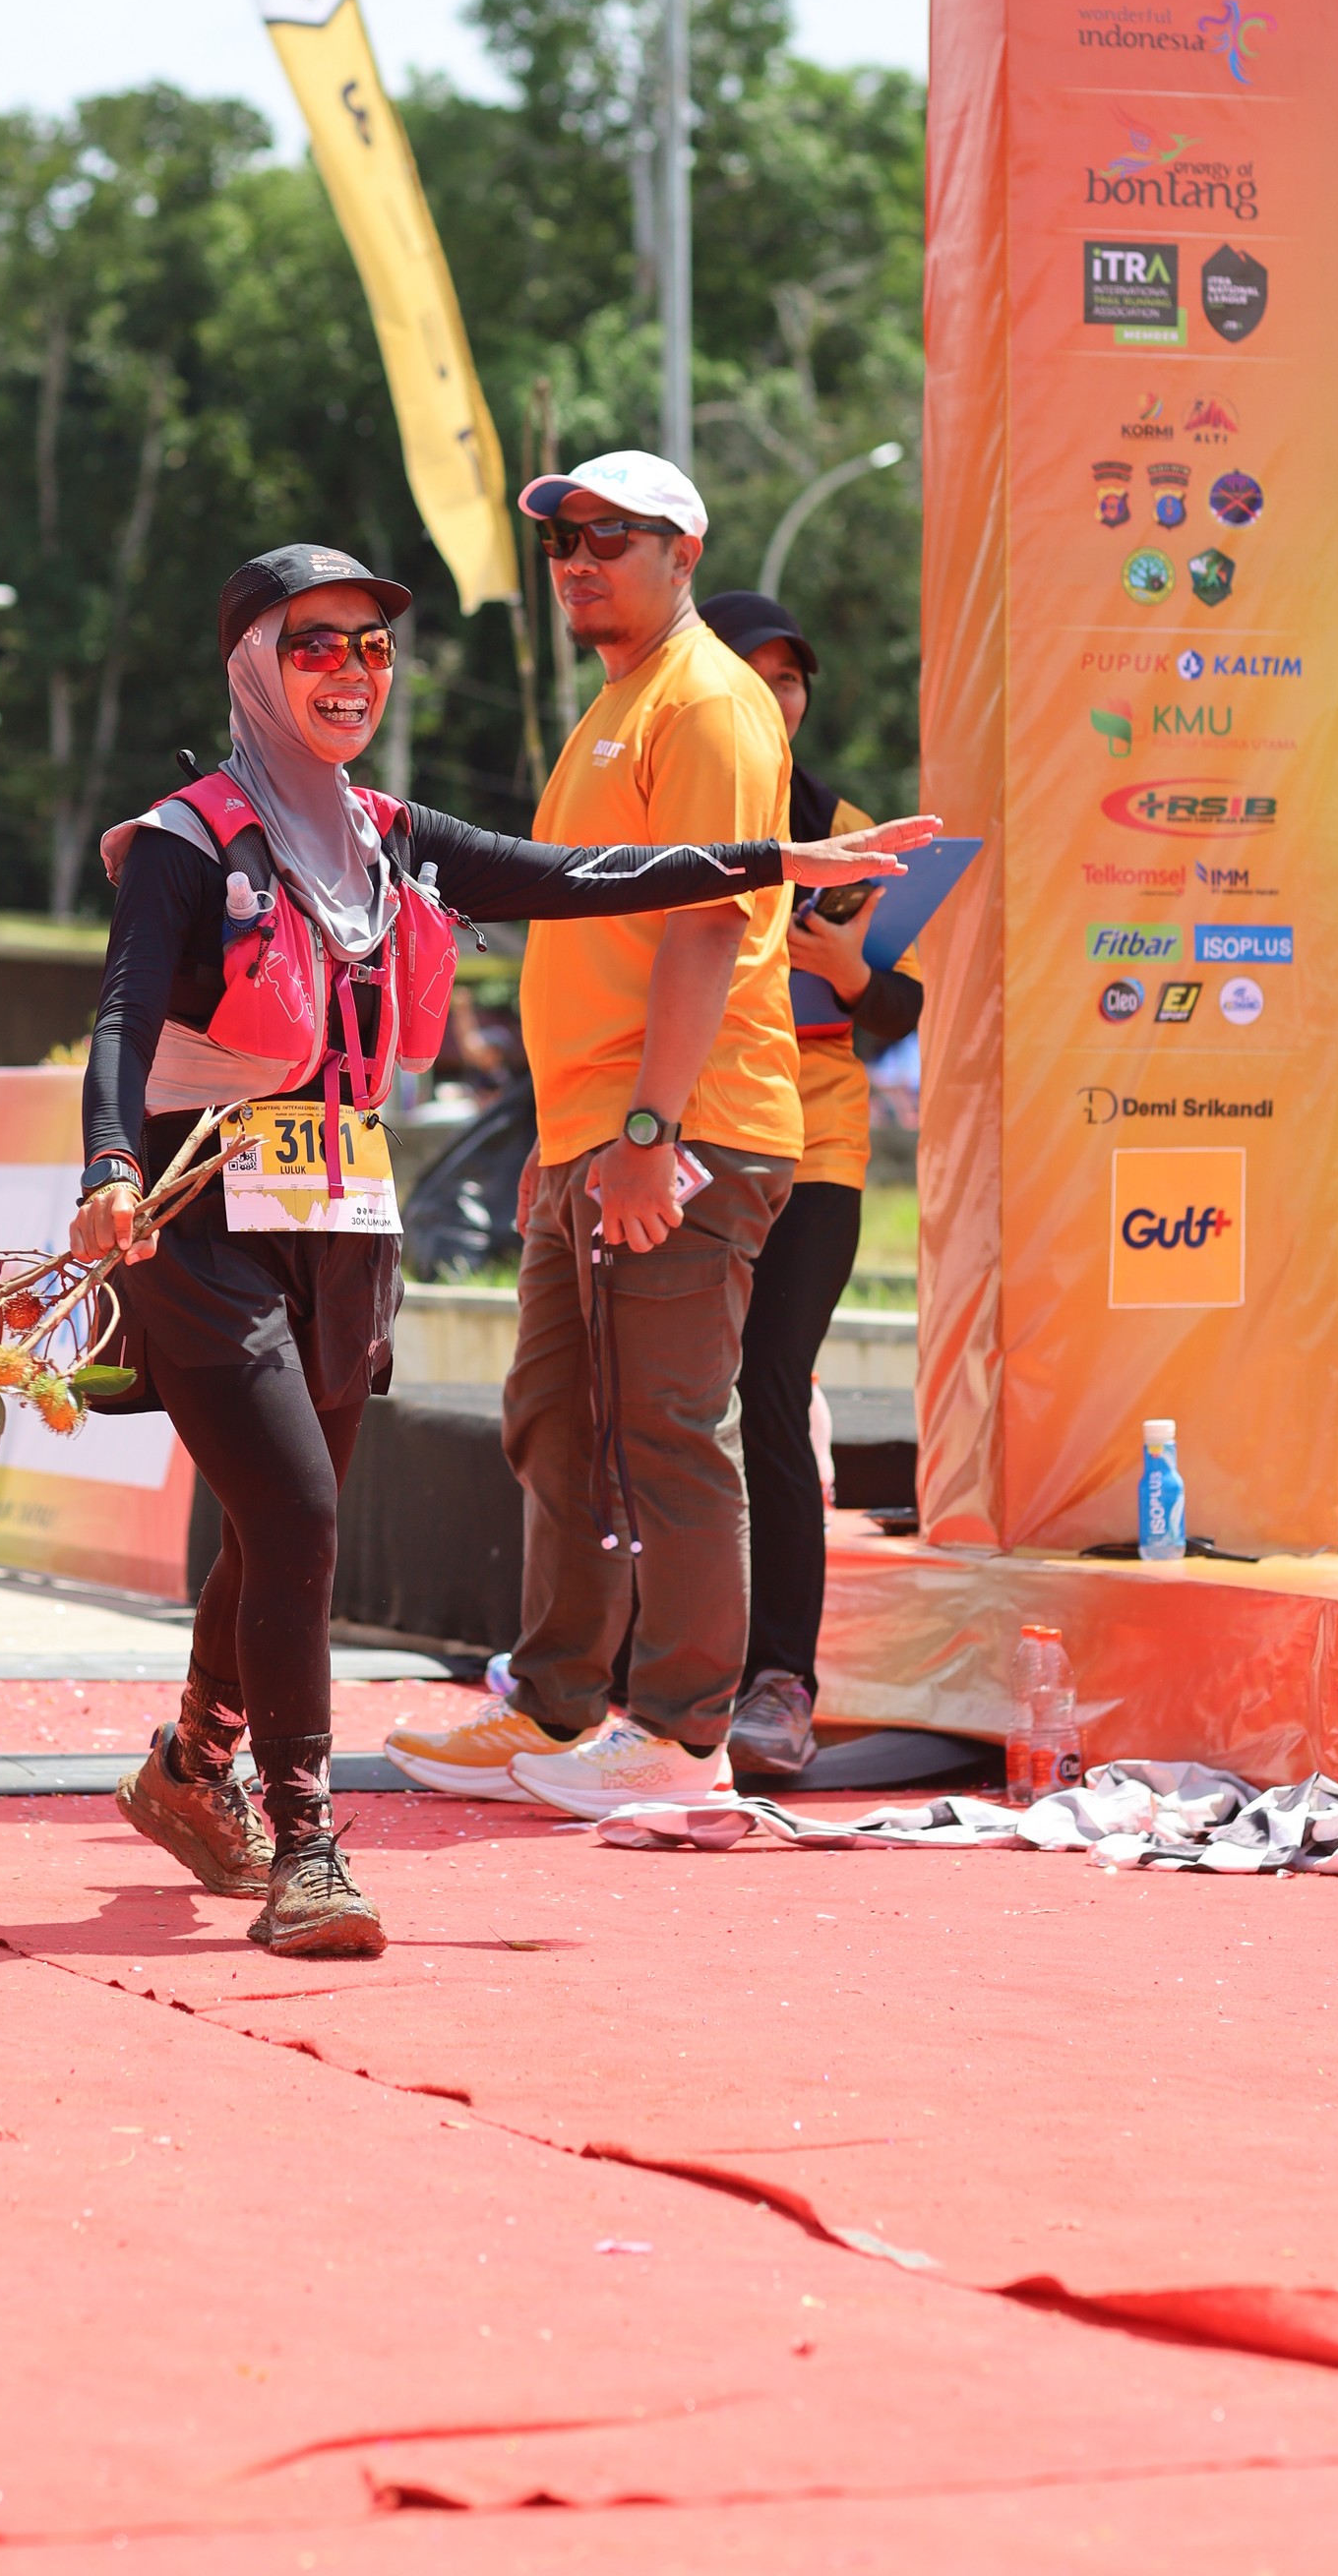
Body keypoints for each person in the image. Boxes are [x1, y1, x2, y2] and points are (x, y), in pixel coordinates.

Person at [79, 540, 934, 1957]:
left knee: (284, 1516)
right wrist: (111, 1167)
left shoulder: (390, 837)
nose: (352, 673)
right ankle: (308, 1849)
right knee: (298, 1515)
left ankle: (191, 1766)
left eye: (373, 647)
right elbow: (120, 1020)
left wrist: (774, 859)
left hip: (342, 1224)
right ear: (249, 664)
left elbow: (586, 874)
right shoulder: (185, 841)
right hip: (199, 1216)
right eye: (314, 644)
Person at [388, 458, 940, 1821]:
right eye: (563, 541)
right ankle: (557, 1704)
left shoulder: (705, 701)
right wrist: (572, 1131)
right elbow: (597, 930)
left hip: (684, 1132)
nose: (579, 560)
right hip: (600, 1129)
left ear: (684, 551)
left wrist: (645, 1126)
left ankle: (686, 1734)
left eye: (611, 537)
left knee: (670, 1432)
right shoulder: (622, 701)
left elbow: (705, 924)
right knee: (557, 1422)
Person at [699, 591, 924, 1783]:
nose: (776, 696)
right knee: (667, 1398)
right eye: (755, 672)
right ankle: (649, 1672)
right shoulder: (667, 805)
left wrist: (849, 971)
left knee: (769, 1382)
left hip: (814, 1141)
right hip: (680, 1134)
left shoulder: (851, 832)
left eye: (791, 679)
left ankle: (780, 1681)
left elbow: (901, 1014)